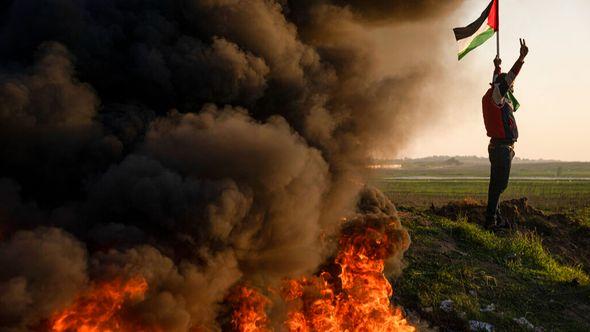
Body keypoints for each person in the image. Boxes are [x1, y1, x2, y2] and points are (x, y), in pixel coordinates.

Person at [482, 38, 529, 228]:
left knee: (498, 185)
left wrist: (496, 67)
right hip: (501, 149)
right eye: (509, 88)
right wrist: (521, 59)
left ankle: (495, 217)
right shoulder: (496, 96)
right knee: (498, 185)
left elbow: (498, 81)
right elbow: (506, 80)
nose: (511, 89)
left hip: (499, 147)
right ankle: (491, 220)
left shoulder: (492, 94)